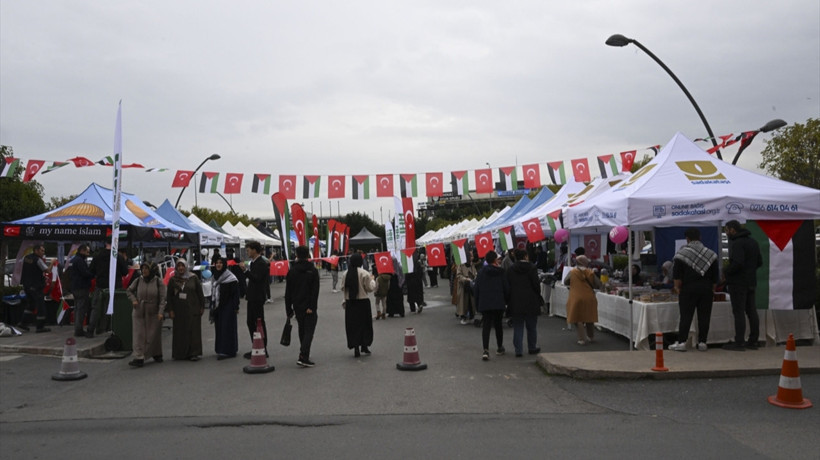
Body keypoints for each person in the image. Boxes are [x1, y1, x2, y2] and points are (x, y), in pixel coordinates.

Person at [668, 229, 719, 352]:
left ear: (687, 239)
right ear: (700, 237)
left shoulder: (681, 254)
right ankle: (702, 342)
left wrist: (677, 288)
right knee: (704, 316)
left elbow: (677, 276)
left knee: (686, 316)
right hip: (706, 289)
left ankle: (682, 342)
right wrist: (712, 290)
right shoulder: (711, 254)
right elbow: (715, 277)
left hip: (688, 289)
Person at [723, 220, 763, 351]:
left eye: (727, 230)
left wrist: (726, 271)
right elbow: (759, 262)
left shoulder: (737, 243)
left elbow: (738, 263)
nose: (726, 233)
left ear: (733, 230)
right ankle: (753, 340)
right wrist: (750, 271)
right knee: (751, 311)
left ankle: (739, 341)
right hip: (751, 281)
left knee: (739, 311)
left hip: (738, 283)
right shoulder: (753, 242)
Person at [285, 245, 320, 367]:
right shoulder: (312, 270)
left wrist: (288, 308)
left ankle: (304, 352)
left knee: (302, 329)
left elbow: (288, 292)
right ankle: (303, 355)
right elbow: (315, 291)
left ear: (297, 255)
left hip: (297, 305)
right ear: (308, 255)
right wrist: (312, 306)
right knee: (309, 331)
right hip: (309, 305)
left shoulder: (292, 271)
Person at [126, 262, 166, 367]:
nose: (144, 271)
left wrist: (161, 312)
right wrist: (134, 300)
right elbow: (129, 291)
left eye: (146, 268)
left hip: (153, 312)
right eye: (143, 268)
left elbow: (163, 299)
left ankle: (156, 353)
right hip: (139, 311)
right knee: (139, 335)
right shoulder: (138, 280)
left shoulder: (158, 281)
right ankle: (139, 357)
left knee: (153, 335)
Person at [165, 259, 205, 361]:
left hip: (193, 309)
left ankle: (194, 353)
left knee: (193, 332)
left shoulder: (193, 278)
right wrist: (170, 310)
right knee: (180, 332)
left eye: (182, 266)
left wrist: (202, 306)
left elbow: (200, 293)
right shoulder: (173, 280)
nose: (181, 268)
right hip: (179, 311)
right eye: (179, 266)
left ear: (186, 266)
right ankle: (181, 353)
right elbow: (169, 296)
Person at [473, 251, 509, 360]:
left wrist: (477, 302)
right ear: (494, 260)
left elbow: (476, 288)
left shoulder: (481, 272)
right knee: (498, 325)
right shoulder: (501, 272)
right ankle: (499, 347)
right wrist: (506, 301)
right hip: (498, 302)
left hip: (485, 302)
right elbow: (506, 288)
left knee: (486, 326)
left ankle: (485, 350)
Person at [507, 249, 542, 357]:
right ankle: (532, 347)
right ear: (526, 256)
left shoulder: (511, 269)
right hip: (531, 300)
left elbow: (508, 285)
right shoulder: (532, 268)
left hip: (516, 301)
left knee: (518, 326)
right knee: (531, 326)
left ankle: (518, 350)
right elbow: (536, 285)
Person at [88, 244, 128, 338]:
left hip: (100, 285)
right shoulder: (118, 256)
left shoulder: (98, 256)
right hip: (114, 286)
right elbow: (125, 272)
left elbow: (91, 271)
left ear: (105, 245)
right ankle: (107, 329)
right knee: (111, 308)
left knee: (96, 308)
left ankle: (91, 329)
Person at [341, 253, 376, 358]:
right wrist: (373, 280)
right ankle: (364, 345)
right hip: (363, 301)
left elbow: (343, 288)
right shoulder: (364, 273)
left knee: (353, 326)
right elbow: (370, 288)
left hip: (350, 302)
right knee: (364, 324)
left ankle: (355, 347)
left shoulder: (345, 274)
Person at [18, 244, 57, 333]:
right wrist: (52, 262)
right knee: (41, 307)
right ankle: (40, 327)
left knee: (31, 305)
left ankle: (23, 323)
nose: (43, 252)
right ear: (36, 250)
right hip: (36, 286)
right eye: (42, 250)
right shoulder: (37, 260)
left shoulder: (27, 257)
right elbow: (47, 270)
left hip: (27, 285)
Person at [564, 255, 602, 345]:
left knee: (578, 319)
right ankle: (591, 336)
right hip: (589, 297)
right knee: (589, 318)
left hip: (576, 297)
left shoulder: (572, 272)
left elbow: (566, 281)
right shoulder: (590, 272)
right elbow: (598, 284)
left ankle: (581, 339)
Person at [241, 241, 269, 359]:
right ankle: (256, 345)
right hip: (252, 296)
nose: (247, 252)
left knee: (259, 322)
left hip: (257, 297)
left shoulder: (261, 263)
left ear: (254, 250)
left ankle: (262, 347)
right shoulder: (254, 263)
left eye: (248, 250)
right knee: (250, 321)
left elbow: (257, 279)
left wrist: (245, 271)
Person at [211, 257, 240, 360]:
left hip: (228, 306)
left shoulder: (231, 277)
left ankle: (229, 351)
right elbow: (213, 292)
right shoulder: (215, 276)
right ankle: (220, 349)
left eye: (220, 263)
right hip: (218, 306)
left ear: (224, 264)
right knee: (219, 328)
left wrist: (236, 306)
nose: (218, 265)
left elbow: (235, 293)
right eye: (217, 263)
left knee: (227, 327)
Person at [69, 244, 94, 338]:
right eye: (87, 252)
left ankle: (77, 328)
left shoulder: (73, 260)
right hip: (81, 287)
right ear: (82, 251)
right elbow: (85, 273)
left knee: (77, 308)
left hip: (74, 287)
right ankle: (79, 329)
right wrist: (93, 275)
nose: (88, 254)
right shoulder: (80, 261)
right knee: (81, 309)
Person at [455, 256, 477, 325]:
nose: (472, 257)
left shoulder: (472, 264)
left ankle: (471, 316)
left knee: (471, 302)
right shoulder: (461, 264)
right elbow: (458, 275)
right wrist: (465, 279)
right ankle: (463, 317)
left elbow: (475, 272)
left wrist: (476, 276)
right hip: (463, 286)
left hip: (472, 285)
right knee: (463, 302)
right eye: (470, 256)